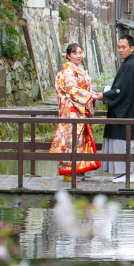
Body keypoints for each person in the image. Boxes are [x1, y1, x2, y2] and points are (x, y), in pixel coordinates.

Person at [49, 42, 103, 179]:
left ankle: (78, 170)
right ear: (68, 56)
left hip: (80, 110)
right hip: (72, 110)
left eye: (80, 52)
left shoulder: (79, 70)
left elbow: (83, 89)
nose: (78, 55)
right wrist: (90, 96)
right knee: (72, 140)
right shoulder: (68, 71)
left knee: (80, 141)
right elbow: (72, 90)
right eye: (74, 53)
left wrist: (92, 94)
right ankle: (70, 172)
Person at [102, 34, 134, 182]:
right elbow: (121, 88)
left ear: (132, 48)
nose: (120, 50)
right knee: (123, 142)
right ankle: (126, 173)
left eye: (124, 47)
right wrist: (109, 93)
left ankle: (128, 173)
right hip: (127, 110)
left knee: (124, 141)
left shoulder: (130, 65)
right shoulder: (129, 64)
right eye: (119, 47)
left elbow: (121, 91)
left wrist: (105, 95)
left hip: (126, 112)